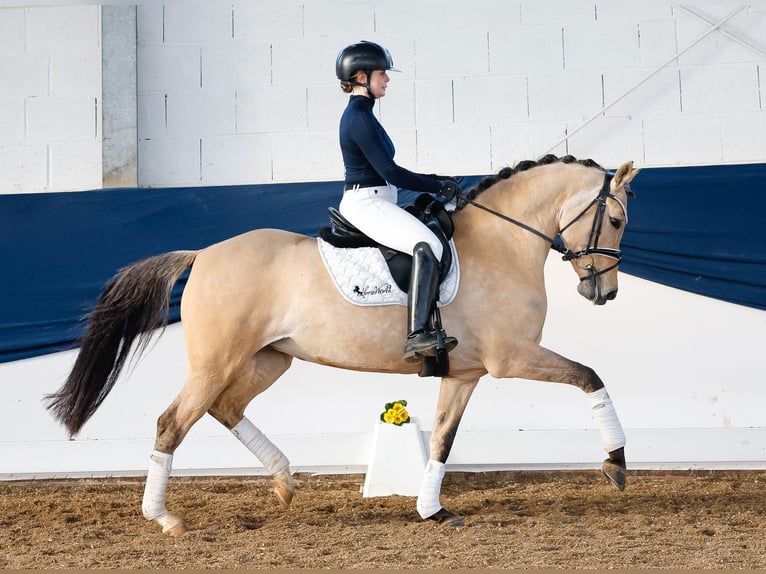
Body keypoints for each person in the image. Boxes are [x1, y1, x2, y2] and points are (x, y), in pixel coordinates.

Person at [335, 40, 459, 363]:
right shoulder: (358, 119)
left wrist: (432, 183)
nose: (387, 79)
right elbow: (389, 170)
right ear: (361, 77)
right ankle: (417, 335)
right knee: (427, 245)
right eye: (382, 74)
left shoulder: (364, 114)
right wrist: (435, 184)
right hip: (366, 203)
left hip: (379, 200)